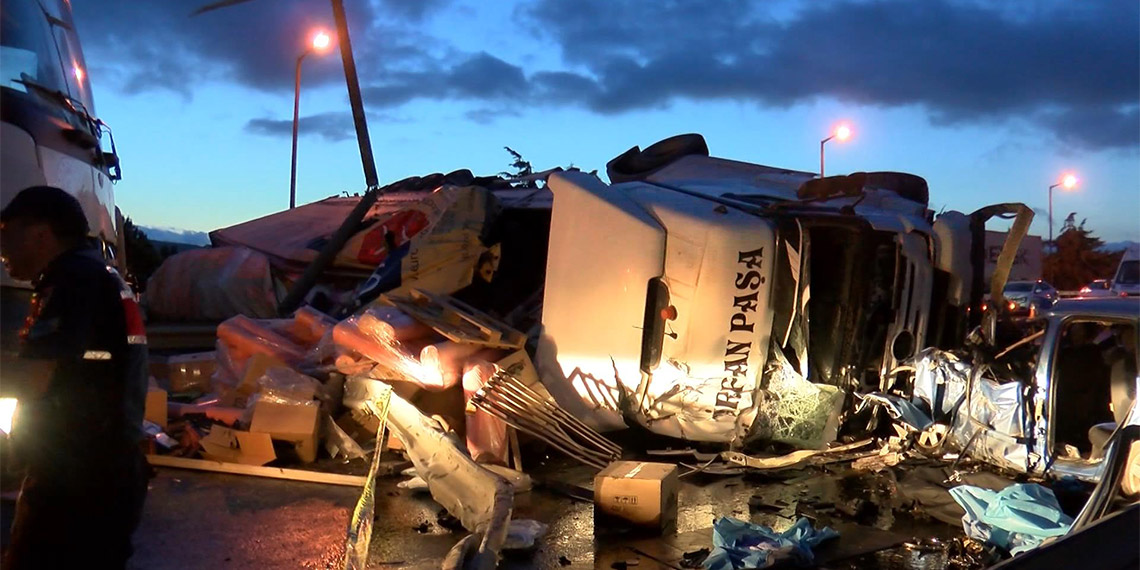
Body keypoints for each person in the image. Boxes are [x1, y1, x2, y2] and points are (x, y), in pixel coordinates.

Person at [0, 186, 149, 568]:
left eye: (6, 232)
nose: (1, 249)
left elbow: (35, 377)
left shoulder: (72, 279)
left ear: (40, 233)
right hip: (106, 468)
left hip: (76, 480)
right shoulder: (99, 274)